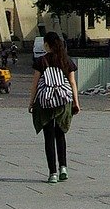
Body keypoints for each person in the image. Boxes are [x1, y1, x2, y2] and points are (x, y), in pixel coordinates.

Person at [29, 31, 81, 183]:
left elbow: (35, 85)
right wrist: (76, 102)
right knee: (61, 134)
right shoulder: (66, 60)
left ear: (46, 44)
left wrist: (31, 102)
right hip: (63, 102)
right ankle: (63, 167)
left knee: (48, 138)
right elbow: (72, 83)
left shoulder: (41, 61)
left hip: (45, 103)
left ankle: (52, 173)